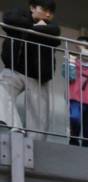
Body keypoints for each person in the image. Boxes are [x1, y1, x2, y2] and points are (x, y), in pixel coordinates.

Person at [0, 1, 60, 138]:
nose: (48, 14)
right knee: (1, 90)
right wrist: (34, 25)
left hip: (37, 76)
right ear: (32, 8)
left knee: (39, 118)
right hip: (15, 69)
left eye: (51, 12)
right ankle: (15, 129)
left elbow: (55, 34)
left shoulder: (51, 26)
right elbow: (8, 19)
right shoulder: (19, 14)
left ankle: (36, 145)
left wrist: (31, 27)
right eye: (45, 9)